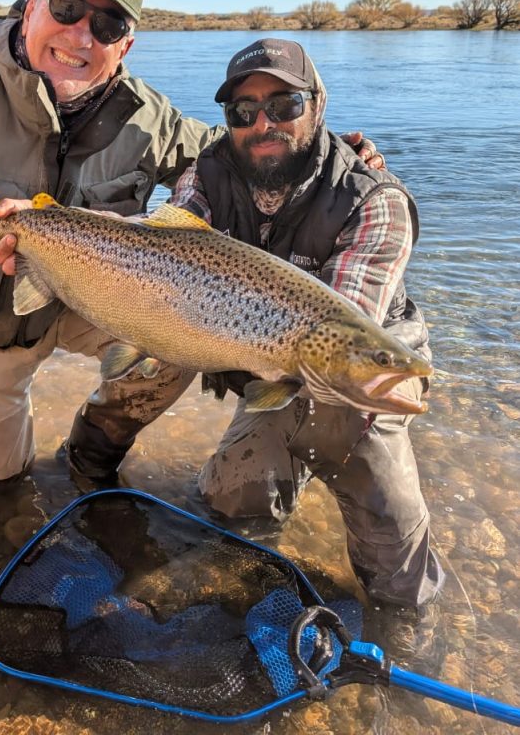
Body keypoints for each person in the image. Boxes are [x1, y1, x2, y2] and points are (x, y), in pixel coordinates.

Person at [0, 0, 379, 496]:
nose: (81, 35)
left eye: (108, 25)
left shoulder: (147, 118)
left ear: (126, 44)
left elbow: (235, 149)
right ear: (31, 7)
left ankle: (92, 449)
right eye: (67, 7)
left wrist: (330, 152)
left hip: (90, 300)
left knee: (179, 347)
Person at [59, 37, 444, 610]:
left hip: (353, 378)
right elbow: (161, 237)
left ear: (318, 105)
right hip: (256, 354)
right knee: (228, 503)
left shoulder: (372, 199)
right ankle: (84, 465)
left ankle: (408, 631)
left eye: (284, 105)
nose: (264, 123)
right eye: (244, 111)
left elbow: (344, 331)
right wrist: (57, 229)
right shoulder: (208, 172)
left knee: (397, 570)